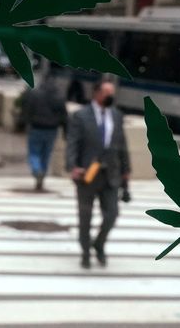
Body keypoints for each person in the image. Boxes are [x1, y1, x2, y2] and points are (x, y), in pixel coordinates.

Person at [66, 81, 130, 269]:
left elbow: (122, 146)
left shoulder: (117, 116)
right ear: (96, 93)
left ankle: (99, 243)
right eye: (107, 92)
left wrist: (126, 171)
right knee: (85, 217)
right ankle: (85, 251)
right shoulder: (80, 115)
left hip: (111, 174)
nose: (111, 96)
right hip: (87, 174)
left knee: (112, 214)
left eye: (112, 92)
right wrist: (73, 166)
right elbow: (72, 143)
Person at [22, 76, 67, 191]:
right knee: (46, 154)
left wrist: (24, 123)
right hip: (52, 129)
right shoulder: (59, 97)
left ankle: (37, 171)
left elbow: (27, 110)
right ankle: (42, 173)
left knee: (34, 152)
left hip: (36, 127)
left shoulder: (35, 94)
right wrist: (66, 131)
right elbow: (64, 115)